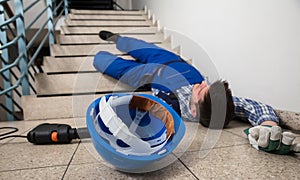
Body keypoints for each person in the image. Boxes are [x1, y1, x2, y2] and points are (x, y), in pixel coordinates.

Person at [93, 31, 300, 154]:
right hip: (171, 59)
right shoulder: (216, 103)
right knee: (139, 46)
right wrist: (269, 125)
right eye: (206, 84)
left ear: (193, 111)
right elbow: (251, 106)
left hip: (148, 74)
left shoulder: (173, 108)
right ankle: (116, 38)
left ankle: (98, 53)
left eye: (201, 90)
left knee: (106, 63)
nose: (202, 83)